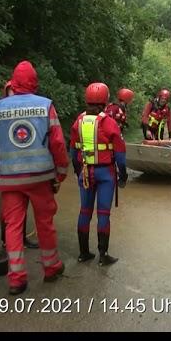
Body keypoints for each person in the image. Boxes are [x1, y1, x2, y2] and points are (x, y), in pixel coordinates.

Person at [0, 60, 69, 295]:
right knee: (45, 223)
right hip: (40, 176)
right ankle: (51, 267)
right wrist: (61, 173)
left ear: (13, 80)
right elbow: (58, 143)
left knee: (13, 226)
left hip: (10, 178)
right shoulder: (45, 106)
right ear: (34, 82)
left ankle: (17, 279)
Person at [70, 82, 128, 266]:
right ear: (105, 100)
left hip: (85, 172)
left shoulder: (78, 121)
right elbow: (120, 153)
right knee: (103, 214)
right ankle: (103, 256)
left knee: (84, 211)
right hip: (105, 174)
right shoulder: (108, 122)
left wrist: (78, 171)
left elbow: (73, 151)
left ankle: (83, 253)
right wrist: (123, 174)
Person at [0, 80, 38, 249]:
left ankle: (19, 238)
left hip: (19, 165)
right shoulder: (1, 111)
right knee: (9, 208)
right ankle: (7, 239)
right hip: (6, 166)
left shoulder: (8, 110)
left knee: (21, 205)